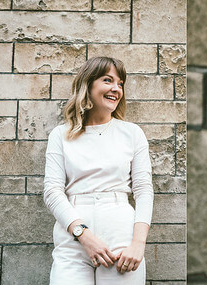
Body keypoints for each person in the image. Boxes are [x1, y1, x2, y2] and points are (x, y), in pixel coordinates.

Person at [44, 57, 154, 284]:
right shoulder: (60, 134)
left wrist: (138, 244)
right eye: (108, 80)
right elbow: (53, 192)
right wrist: (83, 235)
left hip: (121, 233)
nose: (116, 88)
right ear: (88, 84)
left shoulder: (132, 133)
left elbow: (143, 190)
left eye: (120, 83)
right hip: (72, 235)